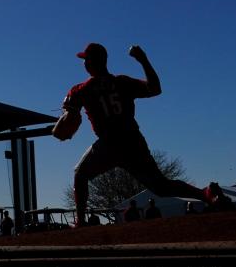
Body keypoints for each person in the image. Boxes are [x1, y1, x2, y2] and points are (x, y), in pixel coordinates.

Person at [52, 42, 214, 226]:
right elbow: (155, 88)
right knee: (160, 186)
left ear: (91, 63)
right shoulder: (122, 82)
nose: (84, 64)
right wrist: (143, 60)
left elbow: (70, 119)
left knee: (80, 175)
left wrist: (62, 126)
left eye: (86, 60)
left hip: (109, 144)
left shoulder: (81, 89)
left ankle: (80, 221)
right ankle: (204, 194)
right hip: (133, 142)